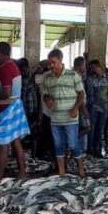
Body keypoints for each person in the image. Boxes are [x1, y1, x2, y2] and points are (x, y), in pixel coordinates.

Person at [0, 42, 29, 181]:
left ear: (0, 53)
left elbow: (6, 93)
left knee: (3, 146)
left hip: (7, 111)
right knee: (16, 142)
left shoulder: (6, 68)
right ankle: (22, 172)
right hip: (13, 109)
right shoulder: (11, 66)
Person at [42, 49, 86, 177]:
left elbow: (81, 95)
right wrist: (47, 100)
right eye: (49, 63)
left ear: (61, 60)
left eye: (53, 62)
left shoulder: (73, 75)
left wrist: (76, 108)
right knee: (58, 145)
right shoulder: (47, 78)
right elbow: (45, 95)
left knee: (72, 144)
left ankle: (81, 169)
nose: (51, 65)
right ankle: (61, 171)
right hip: (55, 118)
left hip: (71, 118)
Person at [85, 60, 108, 157]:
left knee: (100, 129)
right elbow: (89, 95)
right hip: (94, 108)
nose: (92, 70)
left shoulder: (107, 79)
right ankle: (91, 148)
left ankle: (97, 148)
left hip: (104, 109)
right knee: (92, 129)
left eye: (93, 67)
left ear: (99, 66)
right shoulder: (89, 80)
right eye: (91, 68)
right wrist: (91, 105)